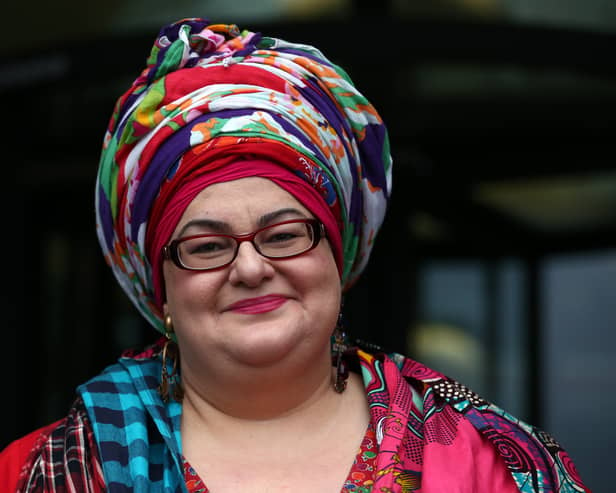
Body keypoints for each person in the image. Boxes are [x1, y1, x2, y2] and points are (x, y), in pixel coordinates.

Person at [1, 17, 590, 493]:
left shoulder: (490, 465)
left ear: (338, 255)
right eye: (206, 247)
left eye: (283, 234)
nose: (252, 269)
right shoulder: (41, 473)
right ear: (162, 290)